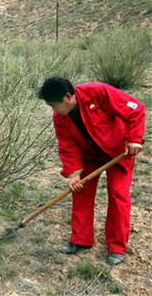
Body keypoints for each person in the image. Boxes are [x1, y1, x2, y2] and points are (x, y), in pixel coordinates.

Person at [38, 76, 145, 266]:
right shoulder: (60, 117)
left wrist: (135, 138)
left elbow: (135, 109)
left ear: (69, 96)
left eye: (53, 105)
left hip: (118, 151)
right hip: (88, 155)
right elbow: (67, 145)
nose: (52, 110)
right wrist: (74, 174)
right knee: (81, 192)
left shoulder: (98, 92)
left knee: (118, 196)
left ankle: (117, 248)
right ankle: (81, 240)